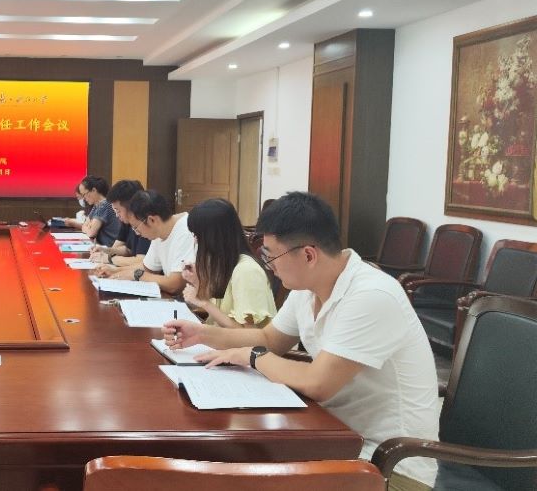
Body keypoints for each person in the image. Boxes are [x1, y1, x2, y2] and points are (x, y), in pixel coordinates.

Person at [162, 192, 439, 491]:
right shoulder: (307, 288)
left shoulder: (371, 295)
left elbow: (317, 382)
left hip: (388, 466)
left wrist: (253, 356)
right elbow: (269, 338)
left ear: (308, 255)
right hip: (331, 436)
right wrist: (202, 334)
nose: (269, 266)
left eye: (271, 256)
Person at [181, 198, 276, 328]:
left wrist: (204, 303)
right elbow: (219, 314)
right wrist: (197, 282)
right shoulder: (224, 264)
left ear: (214, 237)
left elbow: (249, 334)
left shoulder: (246, 271)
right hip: (218, 338)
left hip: (236, 341)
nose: (196, 241)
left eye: (198, 235)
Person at [100, 190, 194, 295]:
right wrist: (115, 271)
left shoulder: (186, 230)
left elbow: (175, 285)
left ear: (151, 220)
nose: (137, 233)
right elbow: (148, 268)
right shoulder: (159, 231)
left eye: (136, 227)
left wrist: (138, 275)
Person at [90, 179, 150, 268]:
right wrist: (106, 251)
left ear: (131, 207)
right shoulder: (126, 220)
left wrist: (110, 258)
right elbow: (128, 250)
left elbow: (141, 261)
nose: (117, 215)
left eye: (118, 211)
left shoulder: (145, 222)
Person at [68, 176, 121, 246]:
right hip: (101, 246)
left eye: (84, 194)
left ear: (94, 190)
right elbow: (84, 225)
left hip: (109, 248)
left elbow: (91, 233)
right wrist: (88, 227)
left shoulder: (104, 205)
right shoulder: (96, 205)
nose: (84, 199)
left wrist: (88, 227)